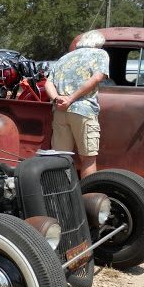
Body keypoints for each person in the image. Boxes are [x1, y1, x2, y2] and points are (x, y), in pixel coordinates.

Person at [44, 30, 109, 178]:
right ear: (99, 43)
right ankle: (88, 198)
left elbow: (49, 82)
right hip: (83, 111)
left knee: (60, 158)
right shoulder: (100, 54)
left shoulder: (65, 58)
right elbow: (98, 77)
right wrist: (71, 98)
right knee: (88, 158)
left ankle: (59, 195)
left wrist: (57, 99)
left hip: (60, 111)